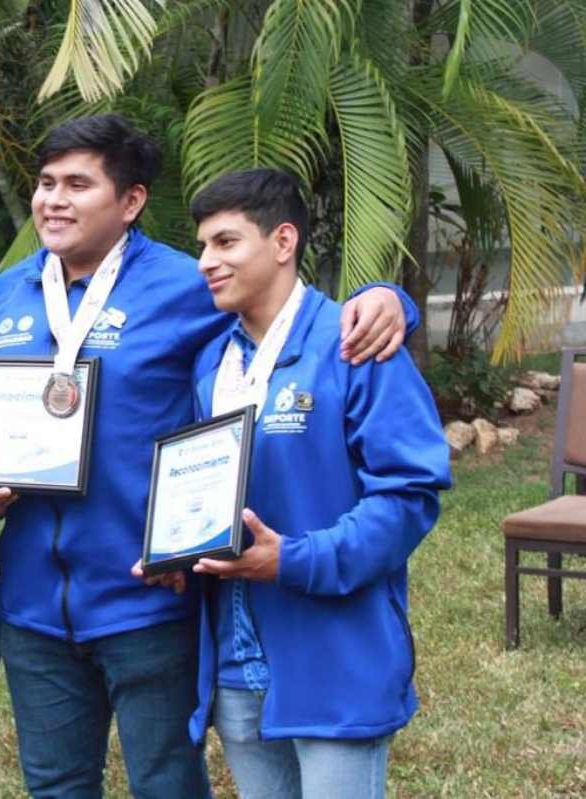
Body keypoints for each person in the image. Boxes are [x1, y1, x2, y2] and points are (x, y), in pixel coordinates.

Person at [0, 115, 414, 798]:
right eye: (46, 182)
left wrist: (389, 300)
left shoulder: (188, 283)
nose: (53, 199)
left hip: (149, 596)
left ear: (131, 201)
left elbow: (289, 314)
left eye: (78, 183)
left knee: (166, 782)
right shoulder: (2, 297)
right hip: (33, 605)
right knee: (53, 783)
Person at [162, 169, 450, 797]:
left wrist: (293, 559)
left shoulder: (356, 343)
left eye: (226, 242)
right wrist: (177, 550)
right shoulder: (214, 359)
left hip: (334, 651)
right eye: (203, 246)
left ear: (284, 241)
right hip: (236, 659)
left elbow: (407, 498)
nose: (206, 261)